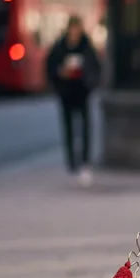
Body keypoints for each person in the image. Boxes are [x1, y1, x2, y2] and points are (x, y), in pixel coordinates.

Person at [46, 15, 102, 186]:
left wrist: (88, 80)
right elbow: (50, 66)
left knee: (85, 127)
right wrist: (60, 73)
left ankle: (85, 161)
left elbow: (95, 67)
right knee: (68, 127)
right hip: (66, 92)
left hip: (82, 92)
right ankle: (72, 161)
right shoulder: (60, 47)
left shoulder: (86, 46)